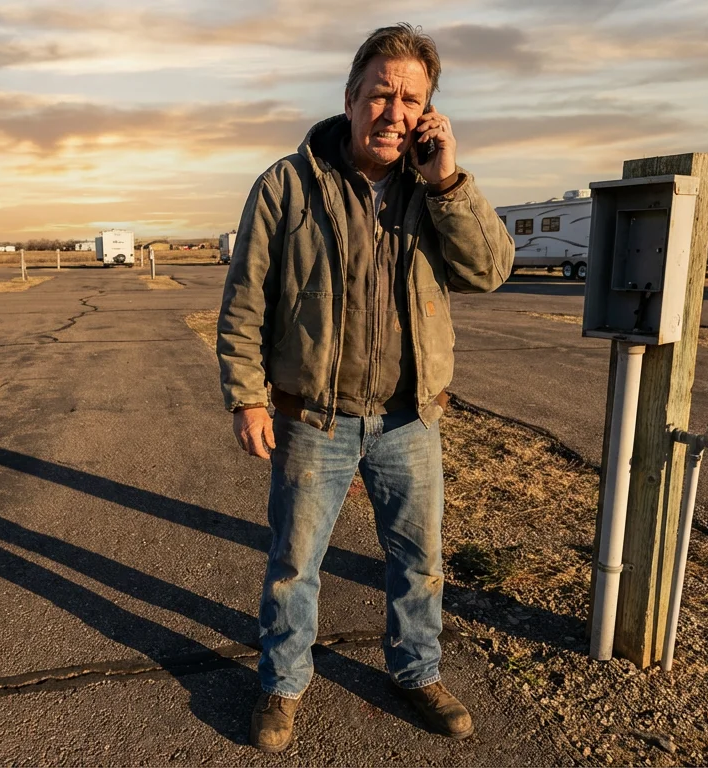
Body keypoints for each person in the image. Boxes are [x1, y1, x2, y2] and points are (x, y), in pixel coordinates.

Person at [215, 23, 515, 753]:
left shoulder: (433, 188)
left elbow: (489, 270)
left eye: (411, 99)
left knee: (419, 562)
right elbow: (245, 297)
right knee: (296, 563)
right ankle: (283, 682)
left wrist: (448, 182)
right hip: (313, 418)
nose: (394, 111)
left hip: (411, 419)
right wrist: (247, 395)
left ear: (428, 114)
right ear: (350, 99)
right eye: (381, 93)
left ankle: (416, 672)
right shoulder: (288, 184)